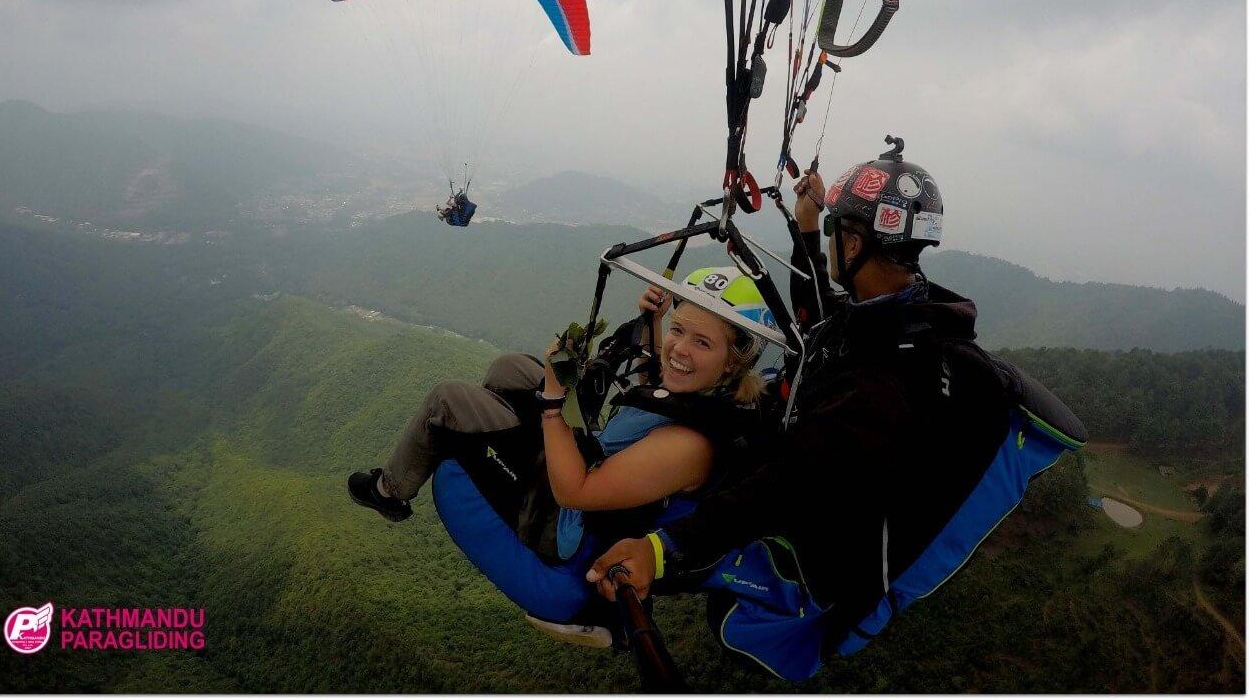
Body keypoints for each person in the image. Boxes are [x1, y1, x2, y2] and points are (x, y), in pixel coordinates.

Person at [586, 137, 1086, 681]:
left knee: (649, 528)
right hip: (807, 475)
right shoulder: (903, 317)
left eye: (835, 234)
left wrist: (660, 553)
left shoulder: (886, 386)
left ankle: (597, 601)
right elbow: (822, 323)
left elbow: (786, 480)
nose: (832, 245)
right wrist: (806, 226)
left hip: (809, 556)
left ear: (854, 244)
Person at [348, 267, 774, 646]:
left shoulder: (690, 446)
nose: (679, 349)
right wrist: (654, 325)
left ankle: (390, 491)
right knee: (509, 368)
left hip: (567, 516)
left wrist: (553, 400)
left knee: (448, 401)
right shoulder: (707, 395)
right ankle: (497, 418)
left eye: (702, 341)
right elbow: (657, 396)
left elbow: (574, 491)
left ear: (731, 363)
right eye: (680, 330)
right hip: (595, 458)